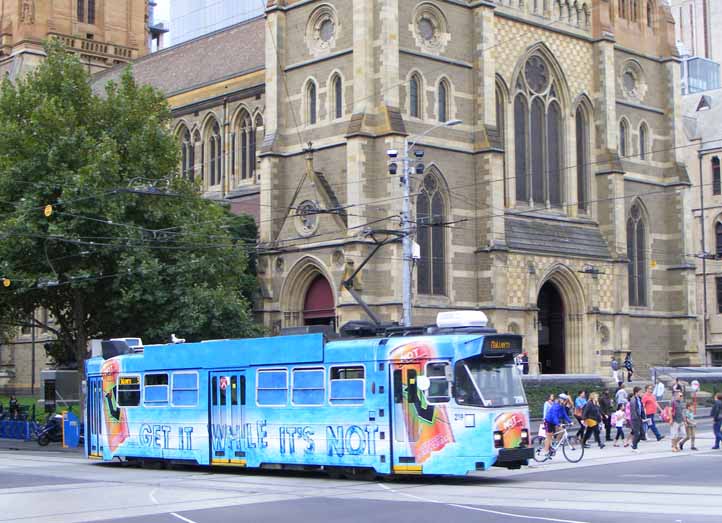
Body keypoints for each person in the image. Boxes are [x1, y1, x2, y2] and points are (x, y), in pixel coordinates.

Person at [629, 386, 644, 451]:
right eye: (640, 392)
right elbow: (633, 410)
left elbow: (641, 409)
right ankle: (634, 447)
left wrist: (643, 417)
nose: (641, 393)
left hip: (639, 417)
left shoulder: (639, 399)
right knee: (636, 433)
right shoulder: (633, 400)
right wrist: (637, 418)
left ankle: (634, 444)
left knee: (642, 434)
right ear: (636, 392)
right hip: (635, 419)